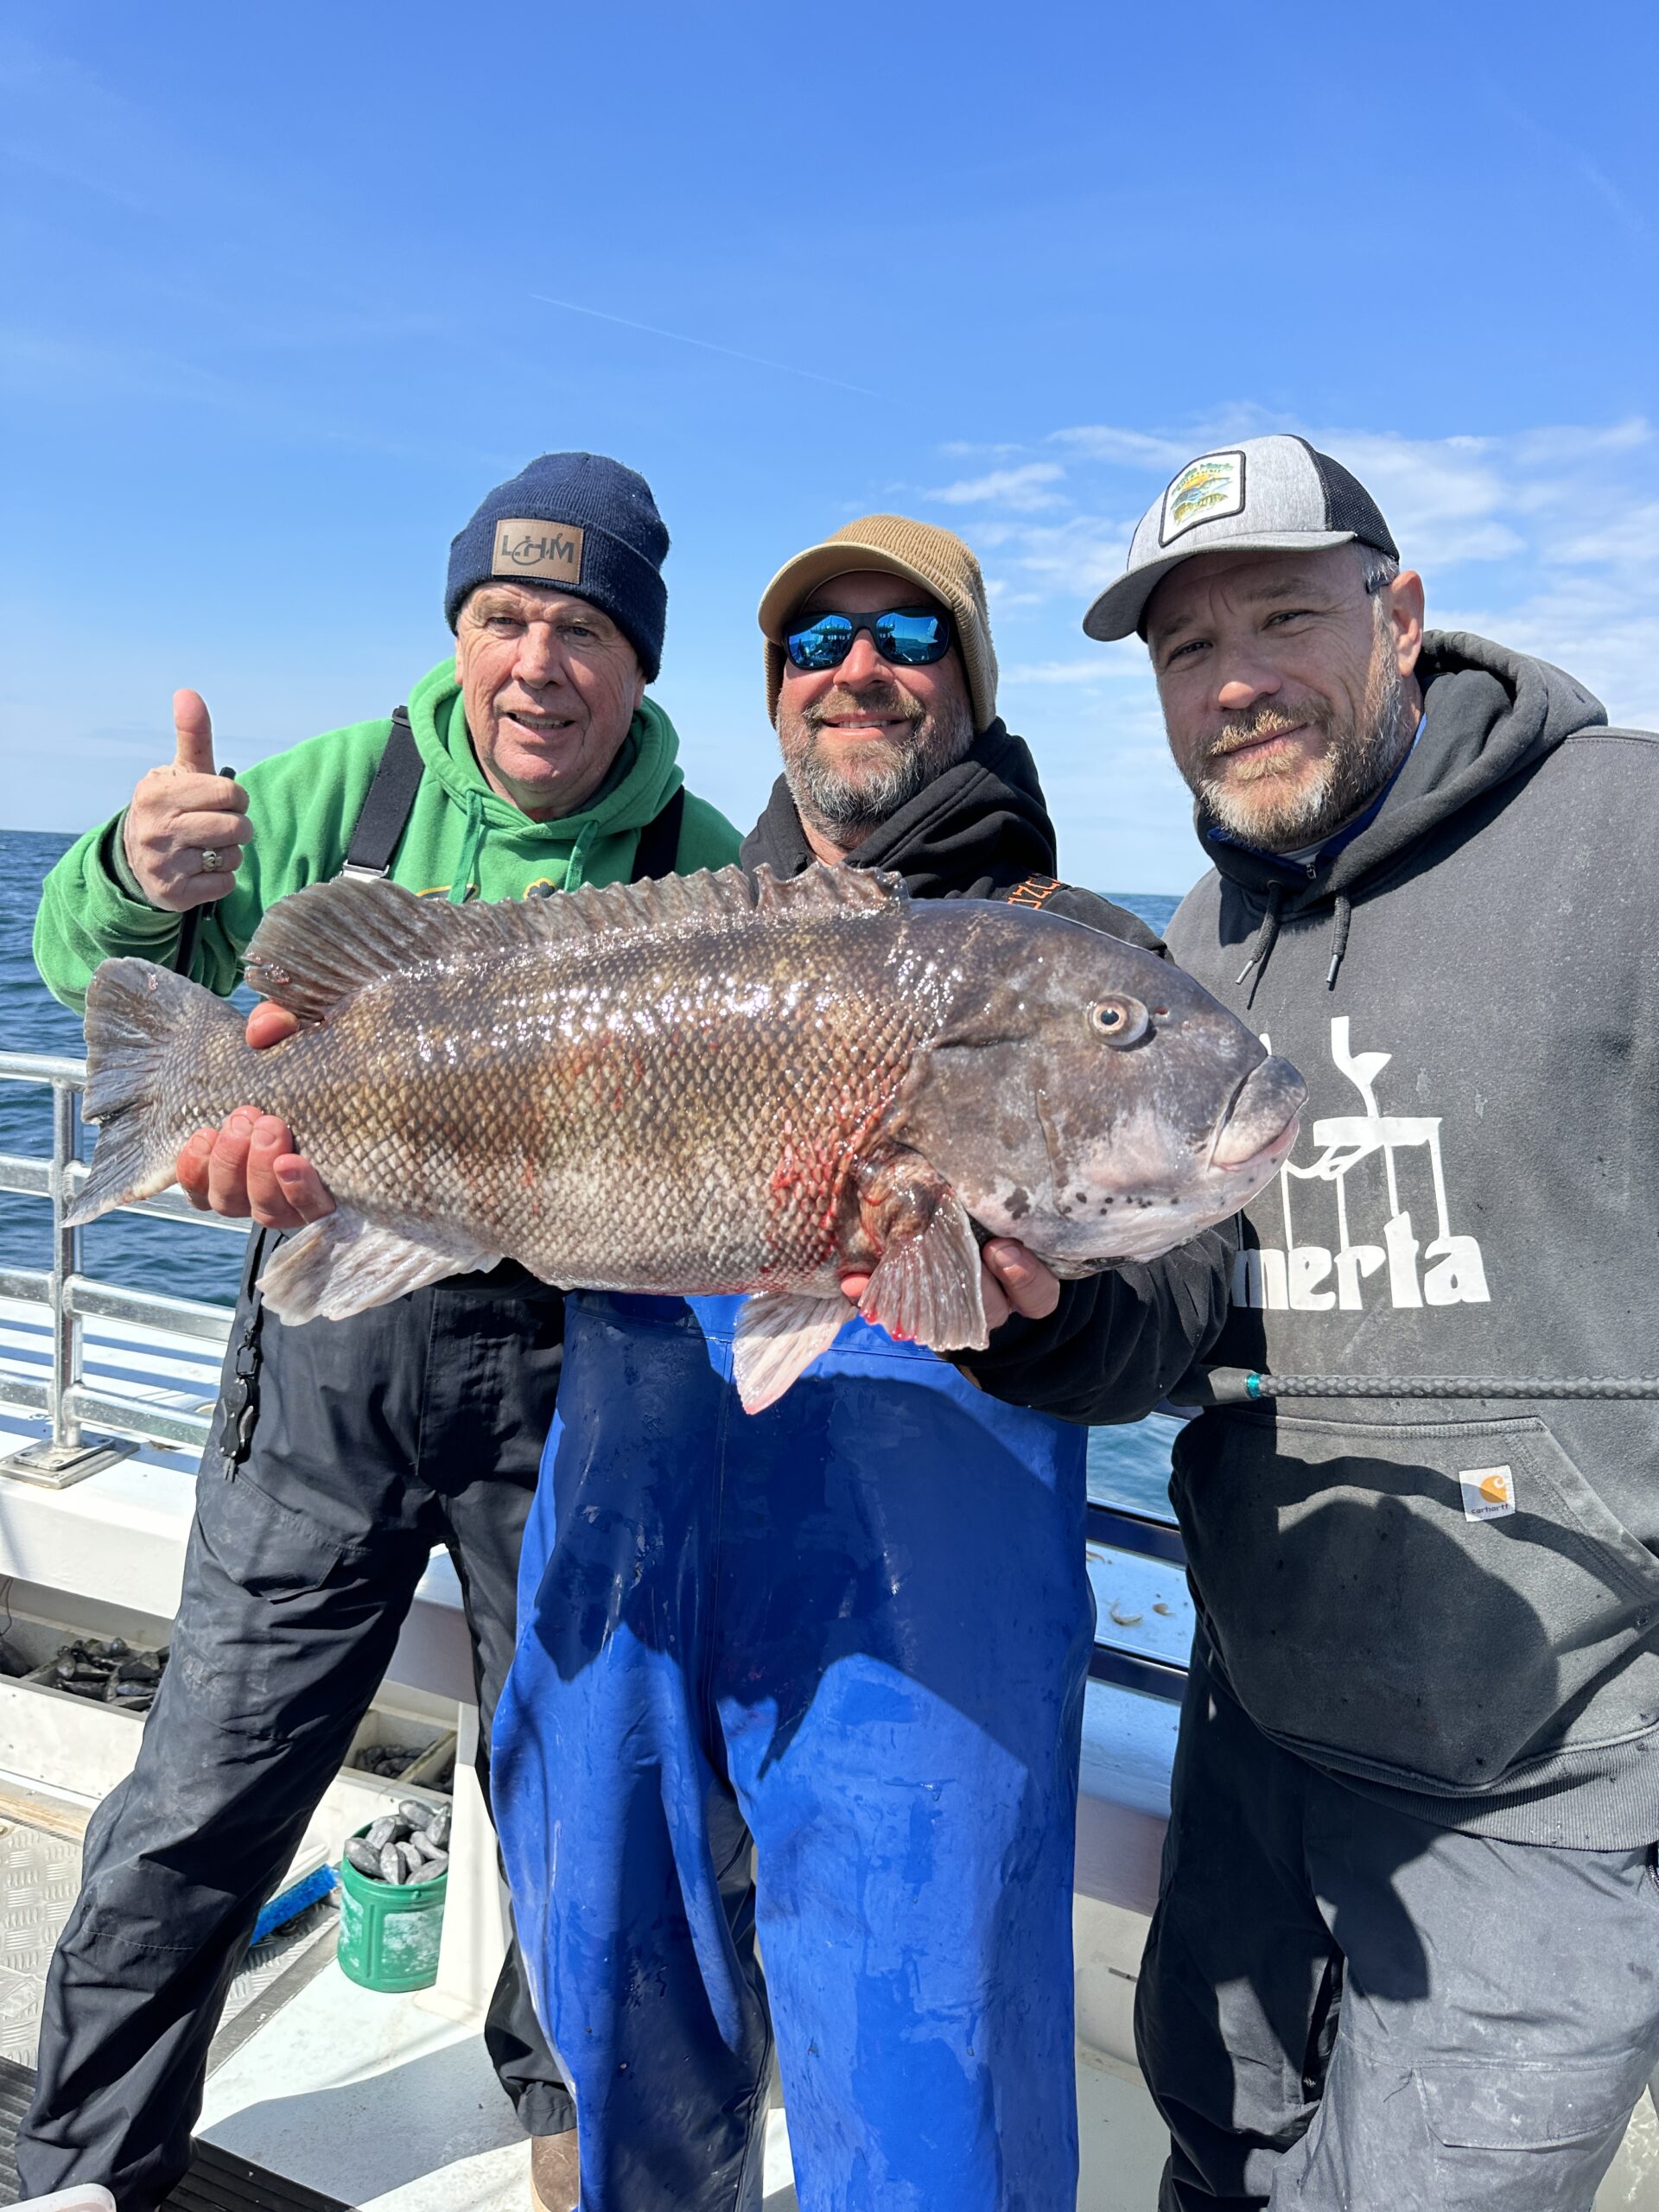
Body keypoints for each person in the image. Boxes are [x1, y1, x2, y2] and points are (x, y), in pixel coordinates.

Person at [485, 516, 1237, 2211]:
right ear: (770, 697)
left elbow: (1185, 1292)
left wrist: (1054, 1305)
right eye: (814, 645)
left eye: (908, 633)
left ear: (969, 683)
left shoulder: (1079, 957)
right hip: (627, 1586)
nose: (858, 669)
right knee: (619, 2064)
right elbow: (477, 1164)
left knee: (930, 2129)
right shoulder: (631, 939)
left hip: (924, 1645)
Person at [22, 453, 741, 2212]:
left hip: (573, 1364)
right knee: (206, 1782)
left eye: (582, 627)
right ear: (459, 629)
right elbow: (81, 968)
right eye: (504, 616)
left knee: (591, 1797)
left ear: (641, 661)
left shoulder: (701, 857)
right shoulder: (341, 781)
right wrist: (133, 870)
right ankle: (76, 2162)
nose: (536, 662)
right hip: (331, 1358)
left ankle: (570, 2118)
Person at [1083, 433, 1659, 2209]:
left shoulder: (1625, 835)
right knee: (1214, 2160)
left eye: (1283, 615)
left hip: (1546, 1789)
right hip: (1252, 1721)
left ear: (1398, 614)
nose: (1237, 680)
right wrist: (1030, 1321)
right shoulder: (1190, 932)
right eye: (1188, 651)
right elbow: (1191, 1309)